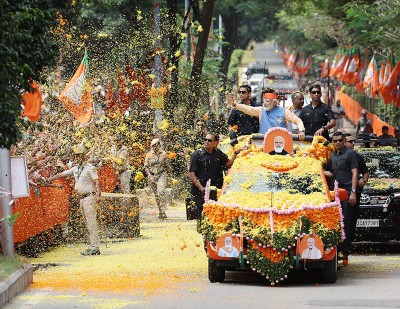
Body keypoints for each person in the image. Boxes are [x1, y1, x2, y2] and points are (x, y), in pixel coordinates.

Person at [47, 144, 102, 256]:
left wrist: (98, 195)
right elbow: (61, 174)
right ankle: (92, 245)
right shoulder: (75, 169)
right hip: (81, 199)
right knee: (87, 223)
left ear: (84, 156)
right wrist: (49, 179)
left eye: (80, 156)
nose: (78, 158)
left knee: (91, 223)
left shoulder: (90, 168)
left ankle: (95, 247)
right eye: (76, 156)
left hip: (89, 197)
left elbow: (96, 181)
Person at [188, 132, 243, 219]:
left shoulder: (218, 153)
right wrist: (201, 188)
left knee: (214, 216)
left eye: (209, 140)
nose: (206, 142)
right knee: (200, 216)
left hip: (215, 190)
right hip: (200, 190)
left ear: (216, 143)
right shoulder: (197, 154)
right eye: (205, 140)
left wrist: (235, 153)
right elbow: (191, 173)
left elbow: (228, 164)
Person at [324, 131, 359, 262]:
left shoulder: (351, 154)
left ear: (344, 141)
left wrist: (354, 192)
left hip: (348, 193)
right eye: (335, 141)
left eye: (340, 140)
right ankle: (337, 250)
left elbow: (355, 173)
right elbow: (330, 173)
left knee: (345, 222)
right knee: (336, 222)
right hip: (335, 194)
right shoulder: (332, 156)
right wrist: (319, 170)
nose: (338, 143)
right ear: (332, 142)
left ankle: (344, 252)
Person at [226, 88, 306, 140]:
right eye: (264, 101)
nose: (265, 104)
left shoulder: (284, 111)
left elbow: (298, 121)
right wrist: (235, 105)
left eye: (267, 101)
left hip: (281, 142)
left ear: (274, 102)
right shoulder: (261, 110)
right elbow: (248, 109)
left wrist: (302, 131)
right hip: (262, 143)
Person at [344, 134, 369, 248]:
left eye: (354, 141)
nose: (353, 143)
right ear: (344, 142)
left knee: (351, 220)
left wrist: (363, 181)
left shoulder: (358, 157)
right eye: (350, 141)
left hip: (354, 193)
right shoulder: (336, 155)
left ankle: (347, 247)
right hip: (341, 192)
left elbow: (365, 172)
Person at [144, 138, 168, 220]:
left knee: (160, 192)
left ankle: (163, 210)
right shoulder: (149, 154)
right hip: (152, 175)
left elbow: (167, 166)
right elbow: (146, 166)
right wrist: (150, 176)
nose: (155, 147)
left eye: (156, 145)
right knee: (156, 195)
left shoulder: (163, 154)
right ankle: (161, 211)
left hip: (161, 174)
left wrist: (168, 176)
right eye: (153, 146)